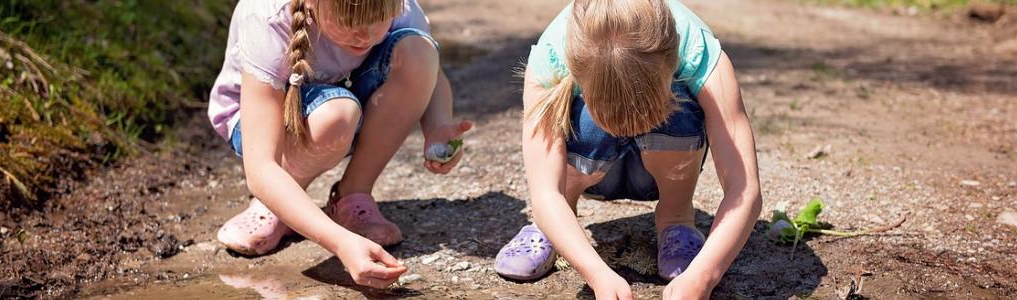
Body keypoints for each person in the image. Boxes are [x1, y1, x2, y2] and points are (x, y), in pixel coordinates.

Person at [493, 0, 763, 298]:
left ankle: (676, 219)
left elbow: (743, 187)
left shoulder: (697, 51)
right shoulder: (552, 55)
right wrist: (597, 274)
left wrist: (704, 276)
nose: (629, 132)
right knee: (571, 118)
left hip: (662, 172)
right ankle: (552, 226)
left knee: (681, 107)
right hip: (588, 170)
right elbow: (545, 191)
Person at [207, 0, 470, 288]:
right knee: (336, 116)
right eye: (349, 22)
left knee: (419, 51)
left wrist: (437, 126)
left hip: (348, 100)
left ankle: (352, 196)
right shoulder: (268, 16)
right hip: (260, 123)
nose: (366, 35)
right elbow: (261, 167)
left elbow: (430, 70)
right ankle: (278, 204)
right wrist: (341, 243)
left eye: (378, 19)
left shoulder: (398, 4)